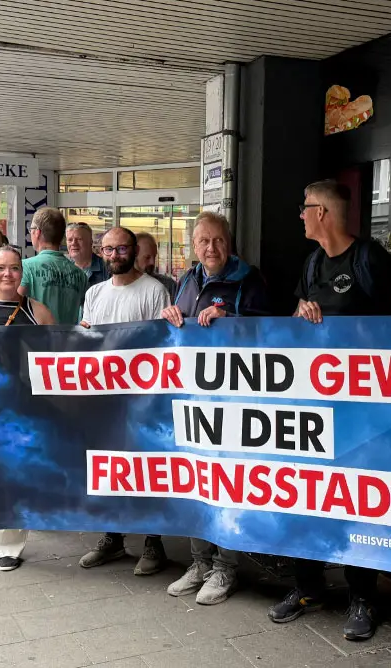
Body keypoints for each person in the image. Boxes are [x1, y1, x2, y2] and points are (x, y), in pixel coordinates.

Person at [273, 180, 391, 641]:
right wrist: (302, 313)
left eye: (305, 208)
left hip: (367, 407)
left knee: (358, 496)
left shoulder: (370, 259)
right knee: (308, 491)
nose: (299, 216)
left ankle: (362, 595)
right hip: (317, 404)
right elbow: (300, 315)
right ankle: (307, 585)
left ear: (323, 214)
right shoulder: (313, 261)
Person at [158, 212, 271, 605]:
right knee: (195, 477)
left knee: (226, 481)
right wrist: (169, 318)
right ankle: (199, 562)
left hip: (235, 400)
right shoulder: (188, 280)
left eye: (218, 240)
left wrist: (231, 319)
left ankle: (226, 567)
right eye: (203, 241)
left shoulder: (249, 280)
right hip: (194, 399)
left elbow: (270, 330)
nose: (211, 248)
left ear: (230, 242)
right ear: (193, 245)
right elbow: (178, 330)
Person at [74, 227, 173, 576]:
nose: (114, 255)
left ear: (133, 251)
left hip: (142, 399)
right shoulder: (95, 293)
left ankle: (152, 541)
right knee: (109, 468)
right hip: (103, 399)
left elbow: (160, 345)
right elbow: (86, 342)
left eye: (121, 249)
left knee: (146, 470)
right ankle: (112, 535)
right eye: (109, 249)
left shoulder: (154, 291)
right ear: (101, 252)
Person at [0, 245, 56, 572]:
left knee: (14, 475)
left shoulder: (38, 311)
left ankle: (9, 545)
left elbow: (56, 356)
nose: (7, 274)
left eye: (14, 268)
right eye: (1, 268)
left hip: (20, 403)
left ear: (22, 272)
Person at [20, 206, 87, 325]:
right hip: (68, 340)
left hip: (36, 340)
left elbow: (11, 304)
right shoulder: (80, 274)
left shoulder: (24, 267)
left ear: (37, 232)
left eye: (31, 230)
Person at [66, 222, 110, 286]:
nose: (73, 243)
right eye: (70, 240)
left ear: (91, 242)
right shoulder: (64, 268)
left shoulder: (107, 269)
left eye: (79, 239)